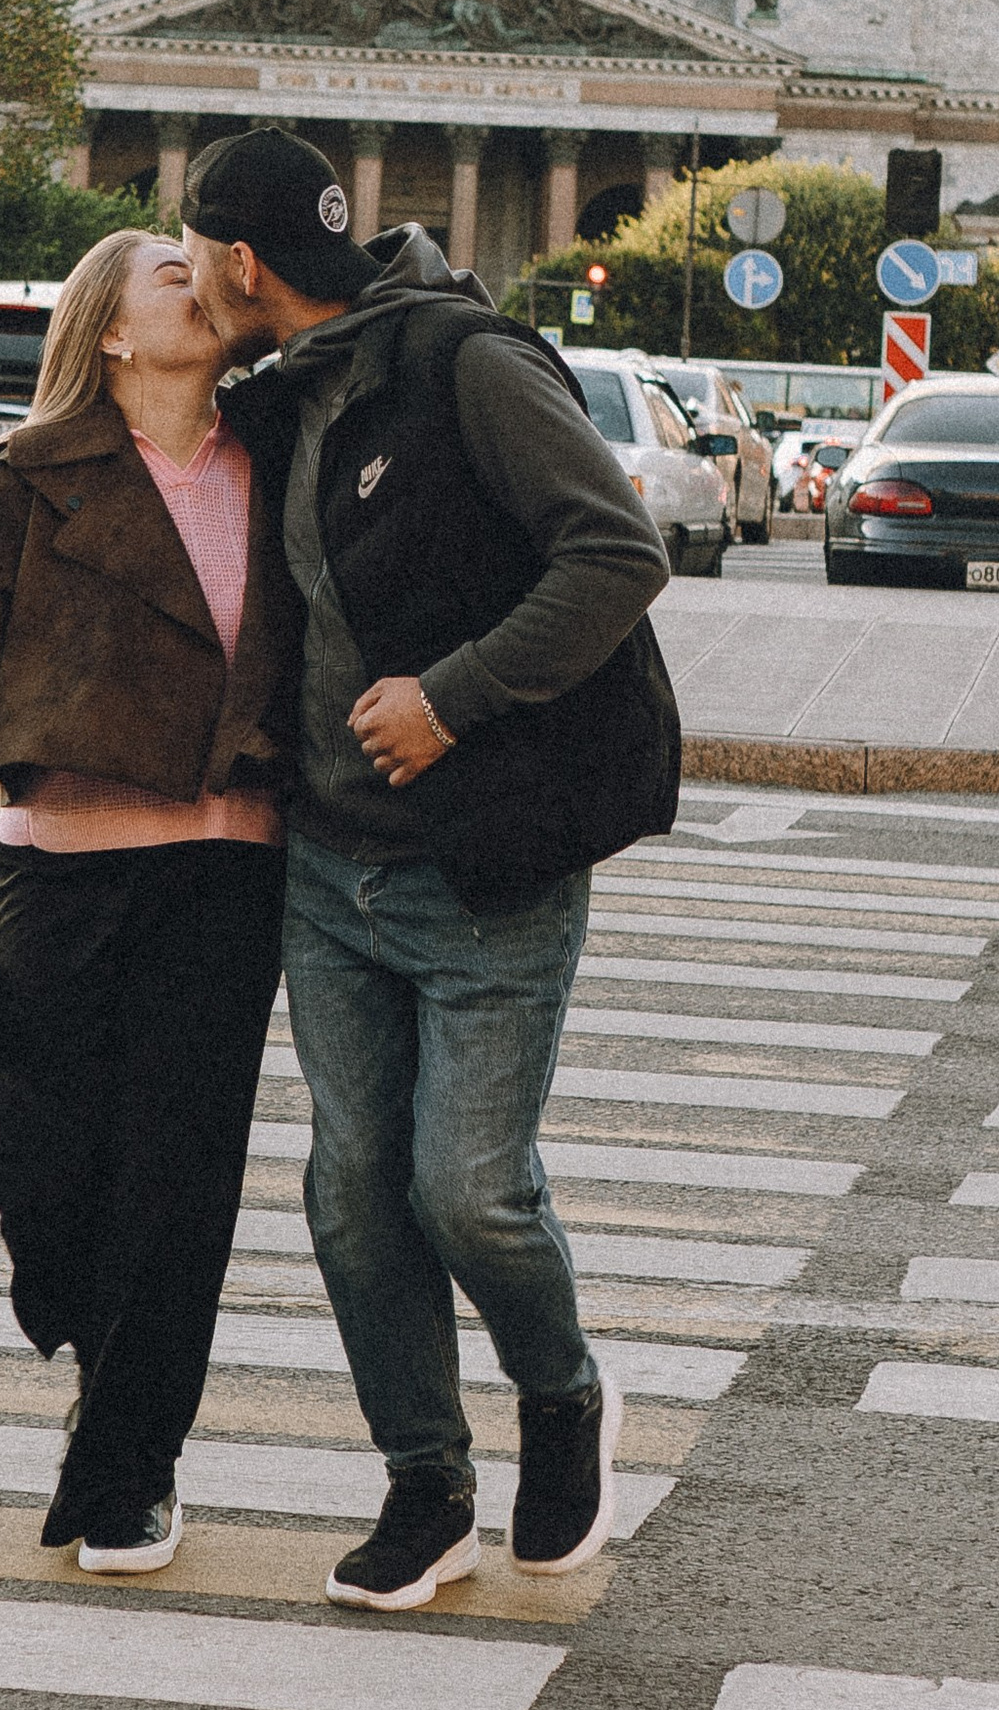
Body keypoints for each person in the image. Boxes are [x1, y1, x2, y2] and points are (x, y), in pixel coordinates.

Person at [184, 129, 680, 1613]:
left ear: (243, 263)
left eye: (194, 255)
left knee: (468, 1192)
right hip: (330, 868)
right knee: (353, 1196)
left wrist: (452, 698)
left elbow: (618, 556)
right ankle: (426, 1484)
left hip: (483, 863)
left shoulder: (470, 365)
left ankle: (564, 1397)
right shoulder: (284, 390)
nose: (189, 279)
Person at [0, 232, 296, 1576]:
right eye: (165, 273)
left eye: (203, 264)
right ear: (112, 334)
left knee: (176, 1184)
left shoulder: (280, 459)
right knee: (41, 1161)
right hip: (63, 868)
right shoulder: (38, 477)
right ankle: (104, 1363)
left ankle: (130, 1467)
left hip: (228, 871)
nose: (195, 277)